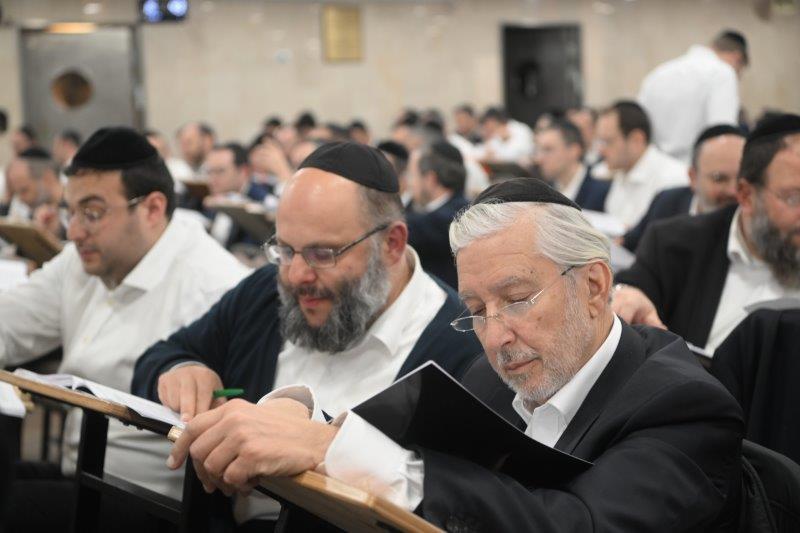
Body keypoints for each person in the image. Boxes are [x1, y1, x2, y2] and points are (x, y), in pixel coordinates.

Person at [166, 177, 744, 532]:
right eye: (476, 309)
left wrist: (330, 447)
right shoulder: (488, 377)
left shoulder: (684, 407)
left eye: (516, 300)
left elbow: (576, 524)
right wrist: (307, 422)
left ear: (593, 286)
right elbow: (403, 454)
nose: (495, 336)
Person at [132, 141, 482, 529]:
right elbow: (161, 356)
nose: (297, 275)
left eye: (322, 254)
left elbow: (458, 501)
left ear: (392, 244)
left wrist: (322, 445)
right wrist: (183, 370)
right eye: (285, 250)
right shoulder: (265, 293)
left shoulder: (461, 346)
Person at [0, 127, 250, 532]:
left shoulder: (214, 286)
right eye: (70, 212)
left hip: (154, 505)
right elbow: (9, 323)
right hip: (80, 471)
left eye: (92, 213)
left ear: (152, 208)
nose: (74, 231)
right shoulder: (82, 259)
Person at [613, 113, 800, 352]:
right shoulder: (674, 244)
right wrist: (625, 295)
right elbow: (630, 291)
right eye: (794, 198)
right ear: (746, 195)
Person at [622, 124, 745, 251]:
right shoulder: (667, 203)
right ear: (693, 178)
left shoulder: (754, 223)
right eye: (719, 178)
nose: (733, 191)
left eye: (742, 179)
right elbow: (627, 243)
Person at [639, 30, 748, 164]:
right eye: (739, 73)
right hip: (695, 170)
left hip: (656, 170)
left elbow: (640, 127)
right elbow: (722, 134)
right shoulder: (722, 73)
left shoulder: (657, 75)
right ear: (737, 57)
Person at [596, 100, 688, 228]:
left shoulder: (672, 179)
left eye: (608, 141)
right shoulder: (622, 170)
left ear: (637, 139)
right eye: (600, 141)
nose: (600, 150)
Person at [406, 140, 469, 288]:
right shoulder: (422, 210)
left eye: (412, 176)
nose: (409, 183)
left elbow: (415, 226)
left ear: (430, 179)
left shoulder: (457, 214)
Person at [203, 143, 270, 249]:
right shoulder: (212, 198)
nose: (212, 179)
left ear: (243, 171)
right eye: (209, 172)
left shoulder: (263, 200)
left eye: (220, 171)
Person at [534, 119, 609, 211]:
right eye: (538, 150)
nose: (538, 159)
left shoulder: (602, 190)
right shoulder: (544, 192)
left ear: (574, 151)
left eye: (548, 149)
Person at [1, 148, 66, 240]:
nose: (21, 199)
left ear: (47, 178)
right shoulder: (38, 213)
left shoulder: (74, 208)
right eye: (16, 192)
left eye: (24, 190)